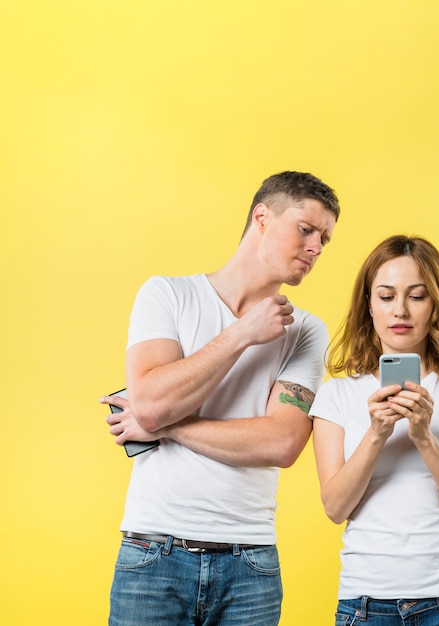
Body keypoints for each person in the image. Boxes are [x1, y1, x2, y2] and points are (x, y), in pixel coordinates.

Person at [100, 171, 340, 626]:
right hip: (153, 556)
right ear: (262, 218)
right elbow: (149, 400)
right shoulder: (167, 294)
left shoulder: (306, 330)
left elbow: (282, 443)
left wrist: (168, 425)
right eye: (306, 229)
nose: (316, 248)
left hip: (249, 564)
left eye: (325, 239)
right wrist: (241, 335)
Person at [310, 235, 439, 626]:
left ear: (437, 305)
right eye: (386, 296)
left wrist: (424, 437)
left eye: (417, 296)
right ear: (368, 304)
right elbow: (335, 508)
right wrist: (376, 434)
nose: (400, 310)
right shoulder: (337, 396)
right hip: (365, 603)